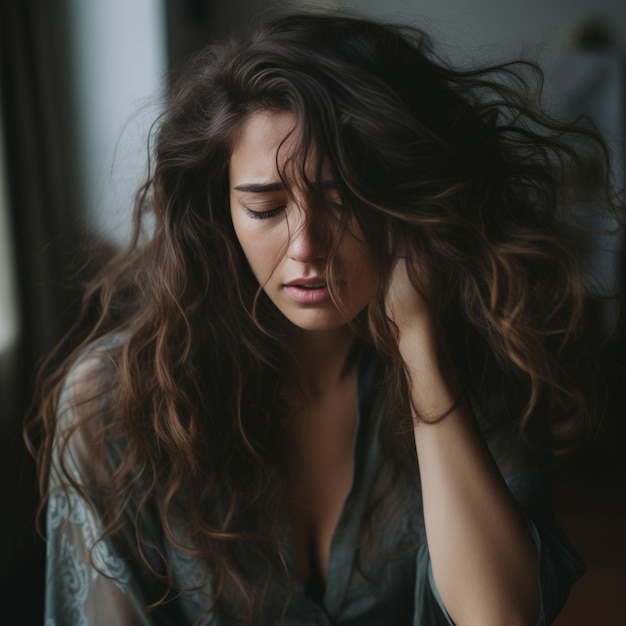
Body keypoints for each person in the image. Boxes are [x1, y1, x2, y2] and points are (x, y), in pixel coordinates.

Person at [29, 11, 618, 626]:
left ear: (402, 201)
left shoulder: (481, 367)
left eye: (344, 200)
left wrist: (418, 345)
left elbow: (500, 618)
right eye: (266, 207)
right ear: (220, 211)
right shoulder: (111, 405)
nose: (307, 245)